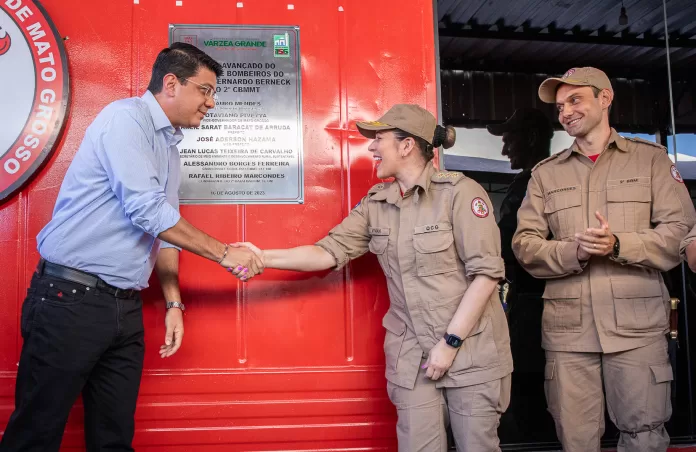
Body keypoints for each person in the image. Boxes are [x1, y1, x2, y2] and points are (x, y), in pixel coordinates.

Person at [0, 42, 262, 452]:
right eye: (206, 90)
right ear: (171, 83)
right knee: (36, 434)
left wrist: (174, 303)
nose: (211, 103)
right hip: (70, 299)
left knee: (114, 438)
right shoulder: (125, 120)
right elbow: (147, 210)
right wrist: (226, 253)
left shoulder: (171, 149)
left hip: (123, 308)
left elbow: (164, 229)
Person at [233, 104, 513, 451]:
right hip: (412, 356)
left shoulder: (461, 194)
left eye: (379, 139)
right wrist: (262, 256)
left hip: (471, 349)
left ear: (407, 145)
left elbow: (486, 276)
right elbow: (328, 251)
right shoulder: (377, 203)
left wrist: (450, 343)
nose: (372, 147)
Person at [512, 67, 696, 452]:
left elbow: (681, 233)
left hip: (637, 330)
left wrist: (617, 245)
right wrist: (572, 251)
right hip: (568, 334)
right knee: (576, 441)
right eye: (560, 106)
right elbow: (524, 245)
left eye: (575, 100)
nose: (565, 112)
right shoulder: (545, 174)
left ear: (605, 99)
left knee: (644, 438)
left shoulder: (650, 161)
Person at [487, 108, 555, 441]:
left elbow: (507, 245)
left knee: (531, 391)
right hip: (527, 303)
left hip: (541, 305)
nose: (504, 150)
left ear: (530, 138)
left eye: (508, 140)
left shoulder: (543, 182)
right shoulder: (528, 181)